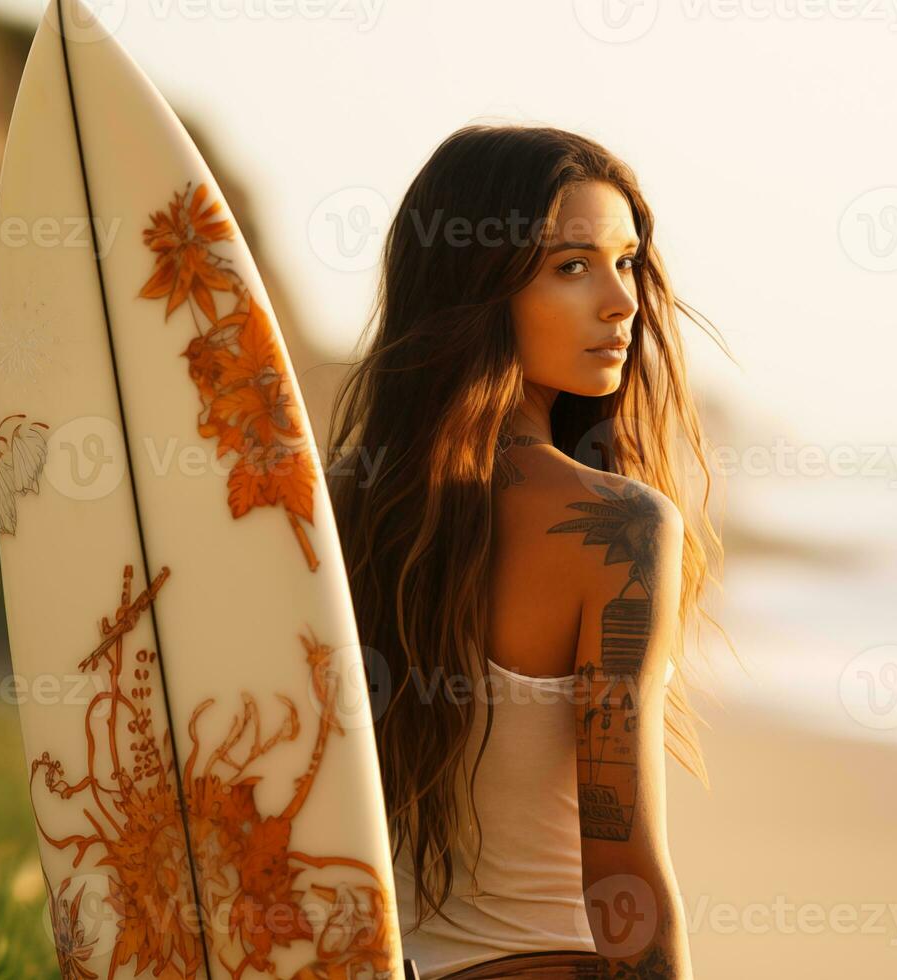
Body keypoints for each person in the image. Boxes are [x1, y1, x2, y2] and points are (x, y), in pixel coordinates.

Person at [324, 124, 730, 979]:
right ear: (478, 288)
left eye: (627, 262)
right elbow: (624, 869)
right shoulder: (619, 530)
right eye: (571, 266)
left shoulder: (335, 513)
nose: (621, 302)